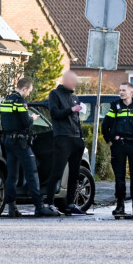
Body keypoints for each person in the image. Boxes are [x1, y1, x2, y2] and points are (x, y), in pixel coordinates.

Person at [0, 78, 60, 218]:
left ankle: (11, 207)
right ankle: (39, 207)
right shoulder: (20, 101)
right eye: (29, 91)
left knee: (12, 176)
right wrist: (32, 117)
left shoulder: (5, 100)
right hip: (21, 142)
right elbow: (25, 122)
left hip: (8, 141)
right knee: (32, 173)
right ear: (25, 88)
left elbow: (6, 121)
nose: (29, 94)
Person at [43, 71, 88, 216]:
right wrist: (71, 109)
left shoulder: (74, 96)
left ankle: (70, 204)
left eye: (75, 81)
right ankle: (49, 203)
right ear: (65, 80)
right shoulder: (55, 94)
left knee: (74, 173)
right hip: (63, 138)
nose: (74, 84)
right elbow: (55, 113)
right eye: (72, 81)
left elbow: (76, 119)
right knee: (57, 171)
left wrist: (81, 137)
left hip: (76, 139)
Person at [100, 82, 133, 216]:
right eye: (120, 90)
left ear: (131, 92)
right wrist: (109, 140)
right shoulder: (115, 106)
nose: (121, 92)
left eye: (124, 90)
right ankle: (120, 206)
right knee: (119, 177)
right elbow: (106, 125)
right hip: (119, 146)